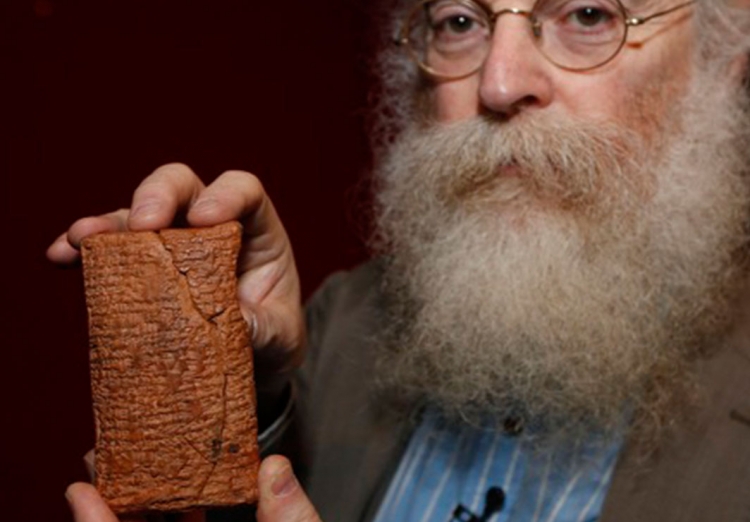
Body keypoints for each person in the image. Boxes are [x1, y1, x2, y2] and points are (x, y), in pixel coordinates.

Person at [48, 0, 750, 520]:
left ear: (726, 57)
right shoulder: (342, 322)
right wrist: (232, 380)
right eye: (459, 22)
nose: (498, 83)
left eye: (589, 14)